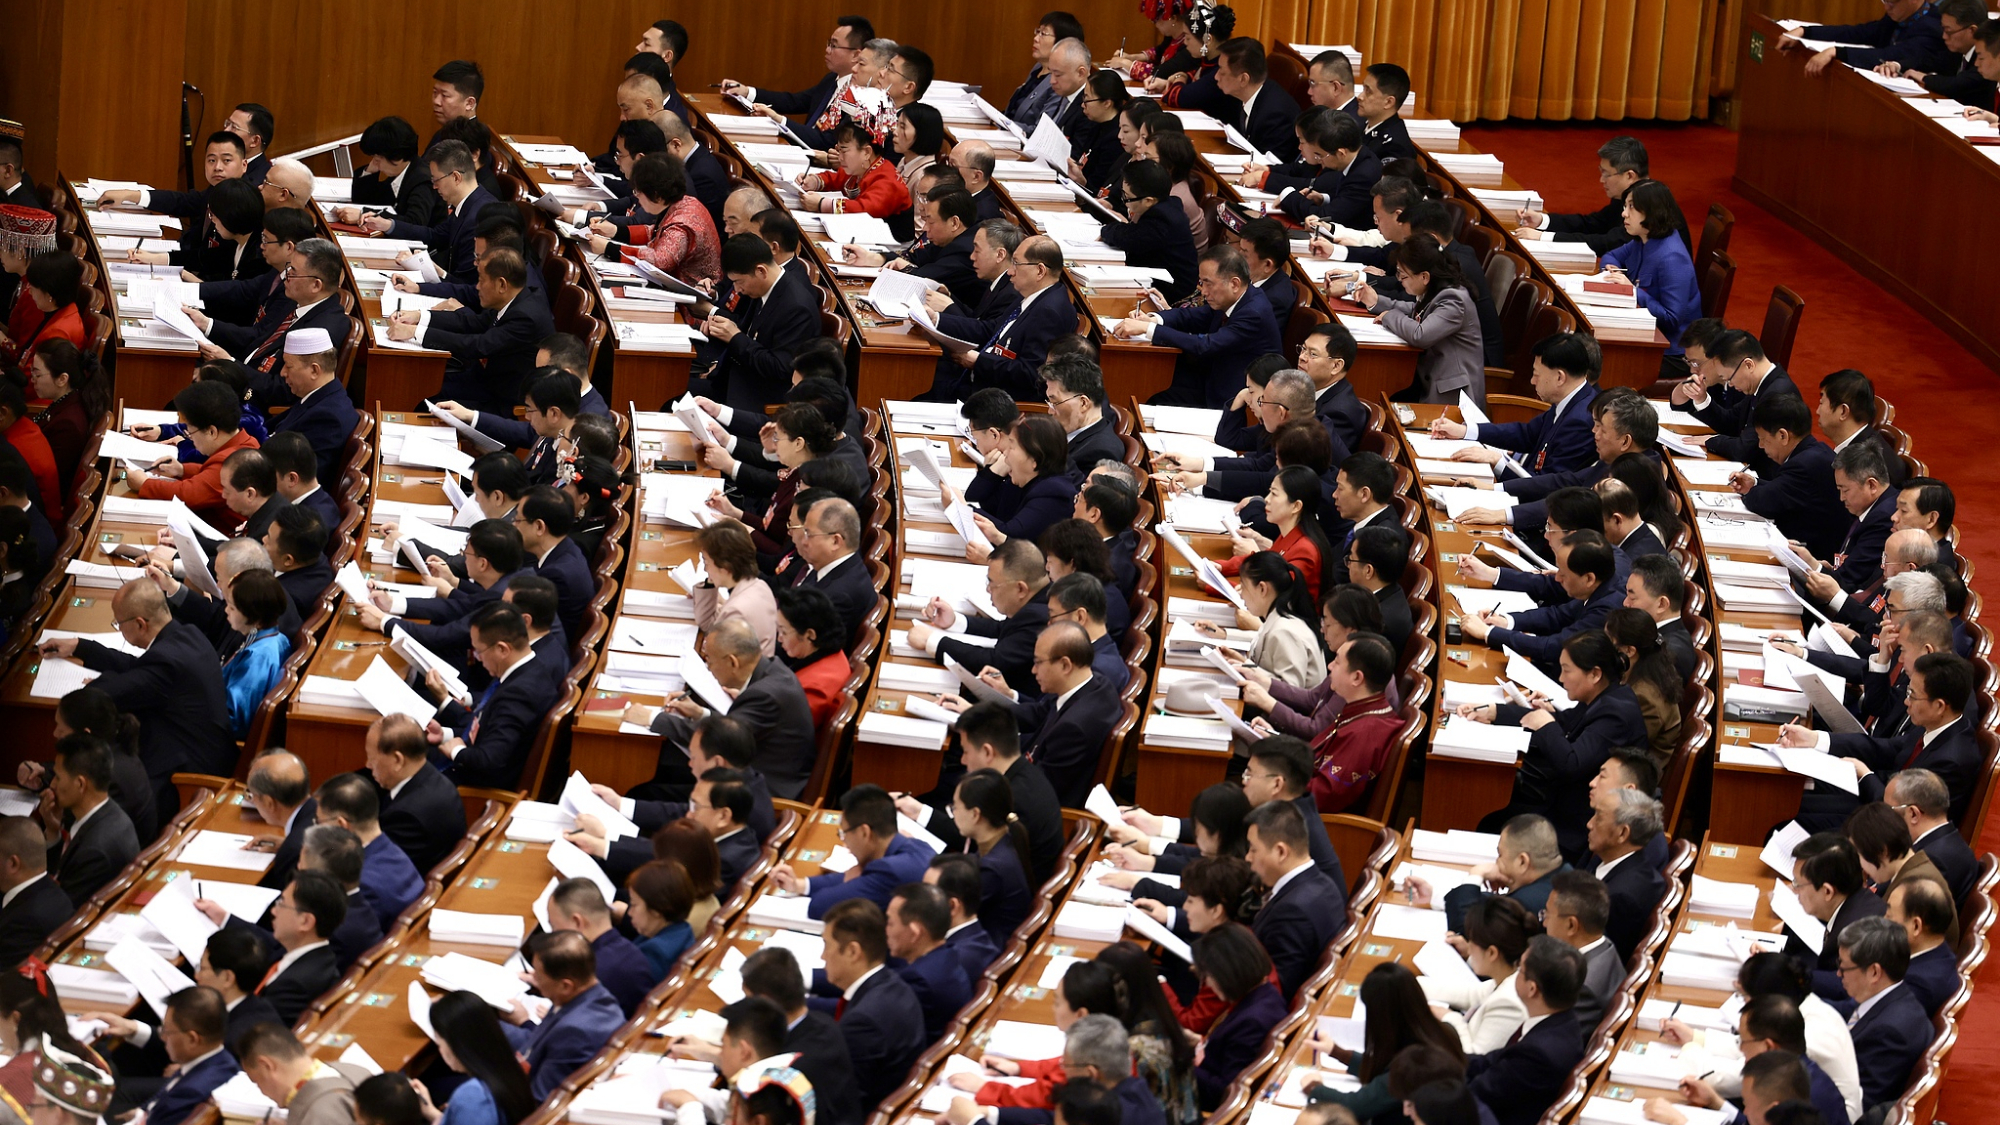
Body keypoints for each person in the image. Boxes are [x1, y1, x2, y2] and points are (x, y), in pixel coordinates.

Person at [40, 579, 234, 821]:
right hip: (206, 752)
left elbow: (104, 696)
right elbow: (138, 667)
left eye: (118, 623)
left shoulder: (165, 663)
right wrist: (81, 647)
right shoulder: (188, 634)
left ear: (140, 624)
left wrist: (101, 682)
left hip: (186, 776)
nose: (119, 629)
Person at [1782, 651, 1980, 829]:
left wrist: (1864, 774)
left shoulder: (1952, 761)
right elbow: (1885, 749)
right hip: (1878, 797)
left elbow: (1900, 813)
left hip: (1885, 829)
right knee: (1793, 796)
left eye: (1912, 695)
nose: (1906, 702)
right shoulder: (1936, 723)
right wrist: (1815, 739)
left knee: (1791, 817)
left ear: (1939, 706)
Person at [627, 618, 815, 799]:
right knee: (667, 768)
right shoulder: (771, 669)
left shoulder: (765, 695)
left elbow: (719, 739)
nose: (708, 668)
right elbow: (737, 725)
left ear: (733, 662)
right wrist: (700, 713)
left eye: (710, 660)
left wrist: (652, 718)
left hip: (760, 790)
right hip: (751, 766)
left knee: (646, 792)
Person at [426, 603, 563, 791]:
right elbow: (489, 726)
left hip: (472, 788)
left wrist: (457, 751)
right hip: (469, 760)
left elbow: (490, 759)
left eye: (479, 651)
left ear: (502, 649)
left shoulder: (520, 695)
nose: (478, 657)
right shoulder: (525, 671)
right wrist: (446, 734)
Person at [1435, 333, 1599, 477]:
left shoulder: (1580, 421)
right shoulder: (1570, 400)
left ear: (1559, 378)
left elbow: (1547, 485)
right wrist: (1464, 431)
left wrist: (1497, 461)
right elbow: (1526, 434)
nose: (1532, 381)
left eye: (1536, 375)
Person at [1463, 936, 1588, 1125]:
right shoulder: (1565, 1021)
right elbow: (1490, 1062)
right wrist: (1442, 1059)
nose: (1515, 973)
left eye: (1520, 969)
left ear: (1532, 989)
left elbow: (1476, 1094)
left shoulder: (1538, 1055)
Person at [818, 898, 929, 1109]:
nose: (822, 956)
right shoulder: (893, 984)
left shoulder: (863, 1023)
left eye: (826, 945)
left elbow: (842, 1103)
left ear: (853, 952)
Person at [1357, 234, 1485, 405]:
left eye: (1403, 275)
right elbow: (1415, 311)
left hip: (1453, 396)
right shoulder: (1438, 291)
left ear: (1424, 277)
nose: (1400, 281)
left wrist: (1389, 315)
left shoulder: (1454, 299)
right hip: (1427, 379)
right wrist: (1376, 302)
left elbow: (1420, 335)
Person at [498, 930, 627, 1100]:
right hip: (533, 1055)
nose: (533, 977)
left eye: (538, 974)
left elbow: (539, 1099)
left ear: (565, 986)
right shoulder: (598, 995)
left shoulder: (575, 1032)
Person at [771, 785, 935, 916]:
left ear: (864, 832)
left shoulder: (890, 871)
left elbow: (819, 906)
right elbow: (855, 878)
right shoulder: (918, 847)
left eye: (845, 834)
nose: (845, 844)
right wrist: (799, 885)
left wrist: (851, 881)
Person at [703, 234, 822, 414]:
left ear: (761, 271)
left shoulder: (797, 308)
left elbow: (780, 369)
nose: (737, 290)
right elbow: (748, 331)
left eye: (738, 282)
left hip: (759, 398)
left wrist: (734, 337)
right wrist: (721, 330)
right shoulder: (763, 288)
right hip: (736, 377)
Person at [1597, 180, 1700, 379]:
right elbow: (1611, 256)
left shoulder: (1672, 258)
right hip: (1643, 332)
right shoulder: (1643, 239)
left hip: (1671, 351)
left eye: (1631, 207)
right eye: (1625, 206)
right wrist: (1613, 270)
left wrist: (1631, 291)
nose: (1624, 213)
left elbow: (1671, 318)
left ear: (1652, 212)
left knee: (1602, 362)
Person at [1245, 800, 1347, 1002]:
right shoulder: (1325, 883)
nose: (1248, 857)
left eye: (1253, 849)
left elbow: (1273, 993)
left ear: (1281, 852)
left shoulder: (1292, 912)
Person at [1830, 916, 1933, 1112]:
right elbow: (1847, 1010)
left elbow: (1856, 1106)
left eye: (1844, 967)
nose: (1838, 974)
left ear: (1874, 972)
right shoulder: (1888, 995)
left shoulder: (1889, 1032)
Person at [991, 1014, 1168, 1125]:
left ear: (1090, 1074)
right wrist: (991, 1114)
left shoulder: (1114, 1117)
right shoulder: (1133, 1088)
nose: (1062, 1070)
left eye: (1065, 1065)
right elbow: (1053, 1118)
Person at [1188, 922, 1288, 1109]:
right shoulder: (1266, 993)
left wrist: (1180, 1063)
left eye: (1208, 975)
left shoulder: (1252, 1022)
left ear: (1227, 973)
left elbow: (1224, 1092)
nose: (1207, 983)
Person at [36, 734, 139, 908]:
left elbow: (62, 911)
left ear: (80, 784)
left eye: (58, 777)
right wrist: (53, 831)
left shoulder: (95, 851)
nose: (52, 784)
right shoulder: (113, 814)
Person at [1514, 136, 1647, 255]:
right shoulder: (1626, 196)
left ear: (1629, 176)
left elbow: (1609, 243)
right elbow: (1592, 224)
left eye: (1607, 174)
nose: (1602, 180)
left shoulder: (1647, 206)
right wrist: (1541, 220)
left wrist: (1542, 237)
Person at [1581, 787, 1669, 958]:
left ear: (1622, 833)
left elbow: (1598, 959)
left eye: (1599, 817)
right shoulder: (1611, 860)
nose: (1589, 824)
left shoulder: (1620, 897)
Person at [24, 340, 108, 503]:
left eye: (37, 374)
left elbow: (46, 479)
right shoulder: (67, 401)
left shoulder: (68, 425)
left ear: (62, 379)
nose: (32, 379)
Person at [1602, 608, 1683, 766]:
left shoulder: (1644, 697)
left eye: (1607, 641)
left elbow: (1618, 743)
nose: (1602, 646)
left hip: (1635, 771)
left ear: (1629, 650)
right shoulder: (1650, 667)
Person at [1885, 769, 1977, 902]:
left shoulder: (1934, 860)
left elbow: (1898, 909)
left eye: (1888, 810)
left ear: (1913, 814)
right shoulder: (1945, 842)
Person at [1784, 0, 1950, 74]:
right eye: (1884, 0)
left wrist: (1836, 52)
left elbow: (1890, 54)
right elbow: (1858, 33)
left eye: (1892, 2)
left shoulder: (1933, 27)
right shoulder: (1899, 16)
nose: (1886, 7)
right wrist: (1806, 31)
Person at [1215, 37, 1302, 160]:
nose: (1216, 76)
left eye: (1222, 72)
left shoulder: (1276, 115)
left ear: (1243, 79)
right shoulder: (1242, 95)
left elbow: (1268, 165)